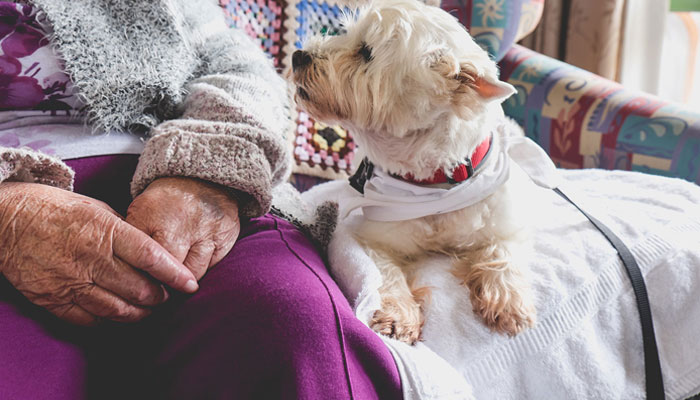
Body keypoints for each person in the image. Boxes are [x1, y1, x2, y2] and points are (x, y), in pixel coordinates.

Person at [0, 0, 402, 398]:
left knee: (298, 327)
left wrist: (205, 170)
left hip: (190, 170)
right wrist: (9, 217)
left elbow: (244, 73)